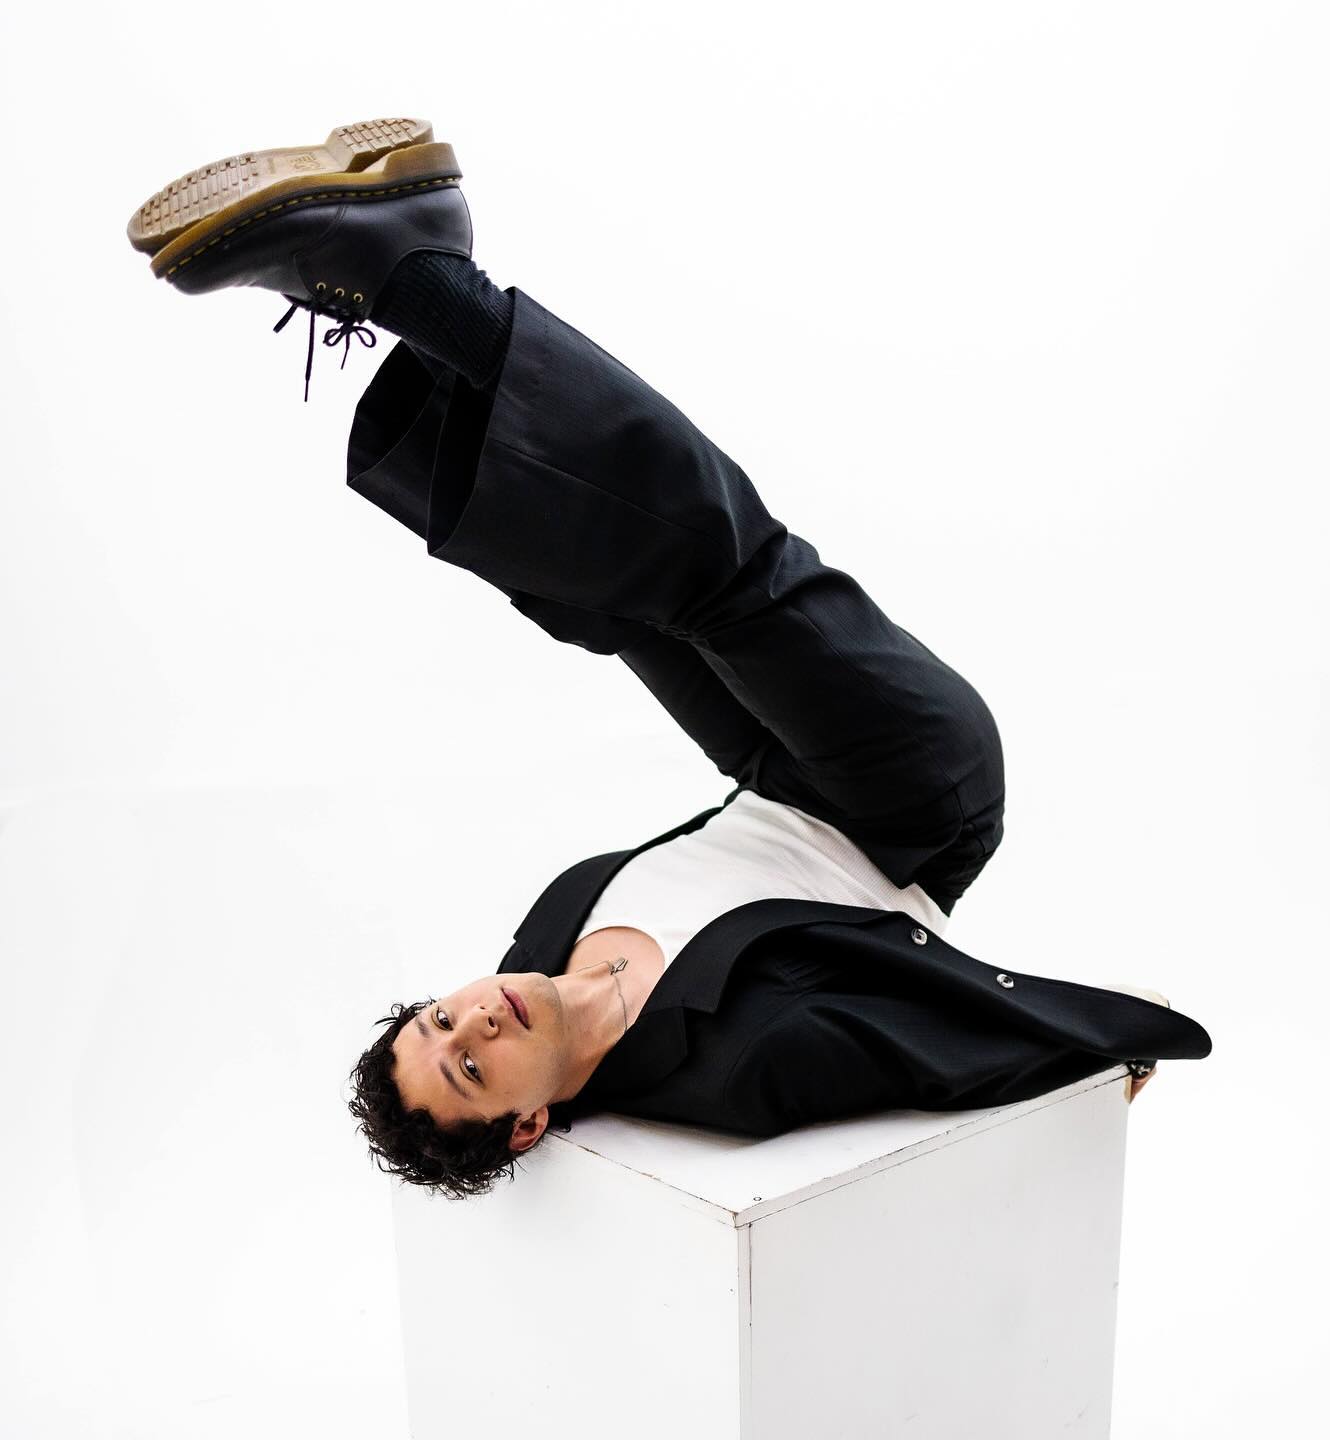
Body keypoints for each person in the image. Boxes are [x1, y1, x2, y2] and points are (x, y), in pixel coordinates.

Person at [127, 117, 1212, 1201]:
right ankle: (424, 284)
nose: (475, 1019)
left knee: (602, 603)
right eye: (469, 1066)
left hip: (774, 776)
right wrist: (1100, 1048)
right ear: (527, 1126)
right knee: (725, 578)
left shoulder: (543, 935)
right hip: (914, 804)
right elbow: (927, 1045)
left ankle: (424, 292)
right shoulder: (734, 1071)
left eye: (438, 1018)